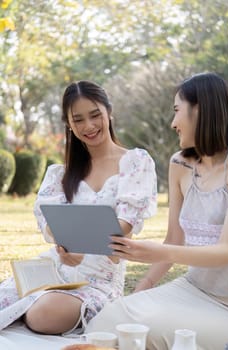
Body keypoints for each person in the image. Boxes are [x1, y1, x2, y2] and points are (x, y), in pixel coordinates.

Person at [85, 72, 228, 350]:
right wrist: (145, 284)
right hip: (193, 289)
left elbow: (227, 251)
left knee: (152, 336)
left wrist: (157, 252)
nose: (173, 123)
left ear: (199, 110)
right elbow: (174, 238)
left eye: (177, 111)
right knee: (107, 322)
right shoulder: (180, 164)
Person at [0, 80, 157, 335]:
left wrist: (83, 242)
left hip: (100, 279)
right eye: (78, 120)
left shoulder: (136, 162)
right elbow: (49, 222)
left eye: (95, 115)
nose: (89, 126)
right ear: (69, 125)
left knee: (43, 315)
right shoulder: (61, 173)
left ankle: (33, 309)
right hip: (54, 268)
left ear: (109, 112)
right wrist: (62, 246)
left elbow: (124, 225)